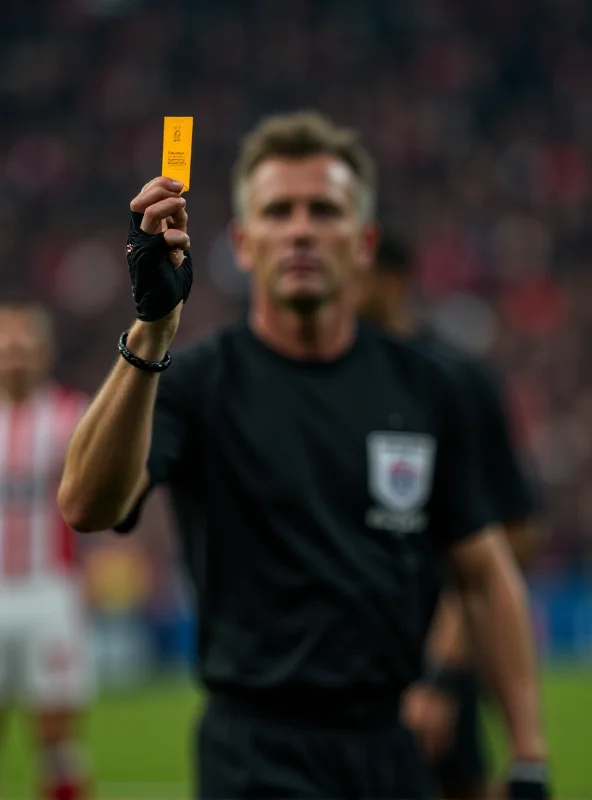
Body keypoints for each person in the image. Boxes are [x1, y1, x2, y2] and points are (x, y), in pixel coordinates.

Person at [58, 111, 549, 800]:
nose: (300, 229)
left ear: (363, 242)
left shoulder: (430, 387)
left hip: (392, 744)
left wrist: (528, 755)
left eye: (324, 210)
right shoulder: (196, 380)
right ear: (244, 241)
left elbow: (486, 574)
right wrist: (153, 324)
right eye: (278, 210)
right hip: (254, 749)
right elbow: (86, 504)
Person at [357, 233, 543, 799]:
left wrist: (447, 656)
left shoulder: (456, 382)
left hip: (436, 656)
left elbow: (515, 531)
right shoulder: (326, 383)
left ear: (391, 279)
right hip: (344, 659)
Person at [0, 298, 93, 800]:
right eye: (6, 344)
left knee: (57, 740)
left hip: (50, 592)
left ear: (45, 352)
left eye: (25, 344)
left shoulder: (71, 415)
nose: (14, 354)